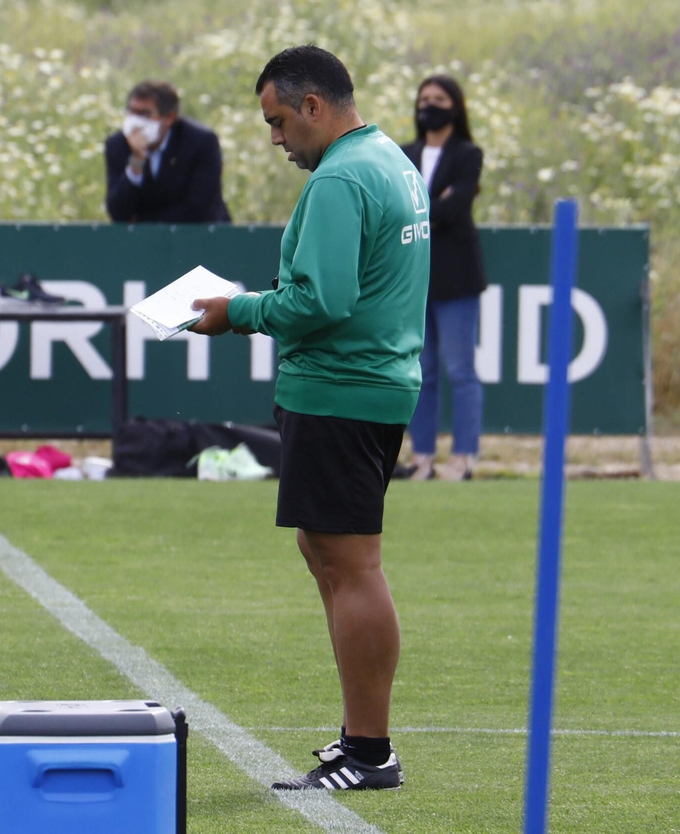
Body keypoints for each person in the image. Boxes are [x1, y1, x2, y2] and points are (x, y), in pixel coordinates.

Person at [189, 45, 426, 792]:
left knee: (351, 567)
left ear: (314, 106)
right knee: (329, 557)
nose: (277, 138)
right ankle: (362, 738)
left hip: (341, 391)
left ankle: (371, 751)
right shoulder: (388, 157)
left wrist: (237, 313)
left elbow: (323, 301)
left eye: (280, 121)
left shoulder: (342, 178)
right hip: (365, 387)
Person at [401, 75, 487, 481]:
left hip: (457, 279)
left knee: (460, 370)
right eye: (424, 98)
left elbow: (455, 210)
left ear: (455, 106)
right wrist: (439, 201)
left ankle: (464, 456)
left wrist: (426, 207)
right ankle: (422, 456)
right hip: (416, 278)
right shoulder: (405, 153)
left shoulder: (468, 154)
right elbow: (401, 208)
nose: (429, 105)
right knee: (422, 371)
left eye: (438, 98)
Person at [104, 80, 231, 224]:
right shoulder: (118, 144)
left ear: (169, 117)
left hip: (201, 236)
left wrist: (141, 221)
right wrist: (137, 162)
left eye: (145, 114)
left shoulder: (201, 142)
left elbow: (198, 207)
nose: (135, 122)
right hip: (144, 241)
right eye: (131, 112)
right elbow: (118, 212)